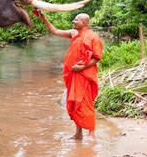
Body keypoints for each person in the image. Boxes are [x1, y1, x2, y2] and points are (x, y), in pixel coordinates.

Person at [33, 10, 103, 141]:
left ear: (83, 22)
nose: (73, 21)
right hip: (73, 75)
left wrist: (82, 67)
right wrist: (43, 18)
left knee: (85, 103)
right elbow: (55, 31)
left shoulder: (93, 37)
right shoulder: (74, 33)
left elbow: (97, 57)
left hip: (84, 75)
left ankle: (91, 133)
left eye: (76, 20)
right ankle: (78, 133)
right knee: (74, 103)